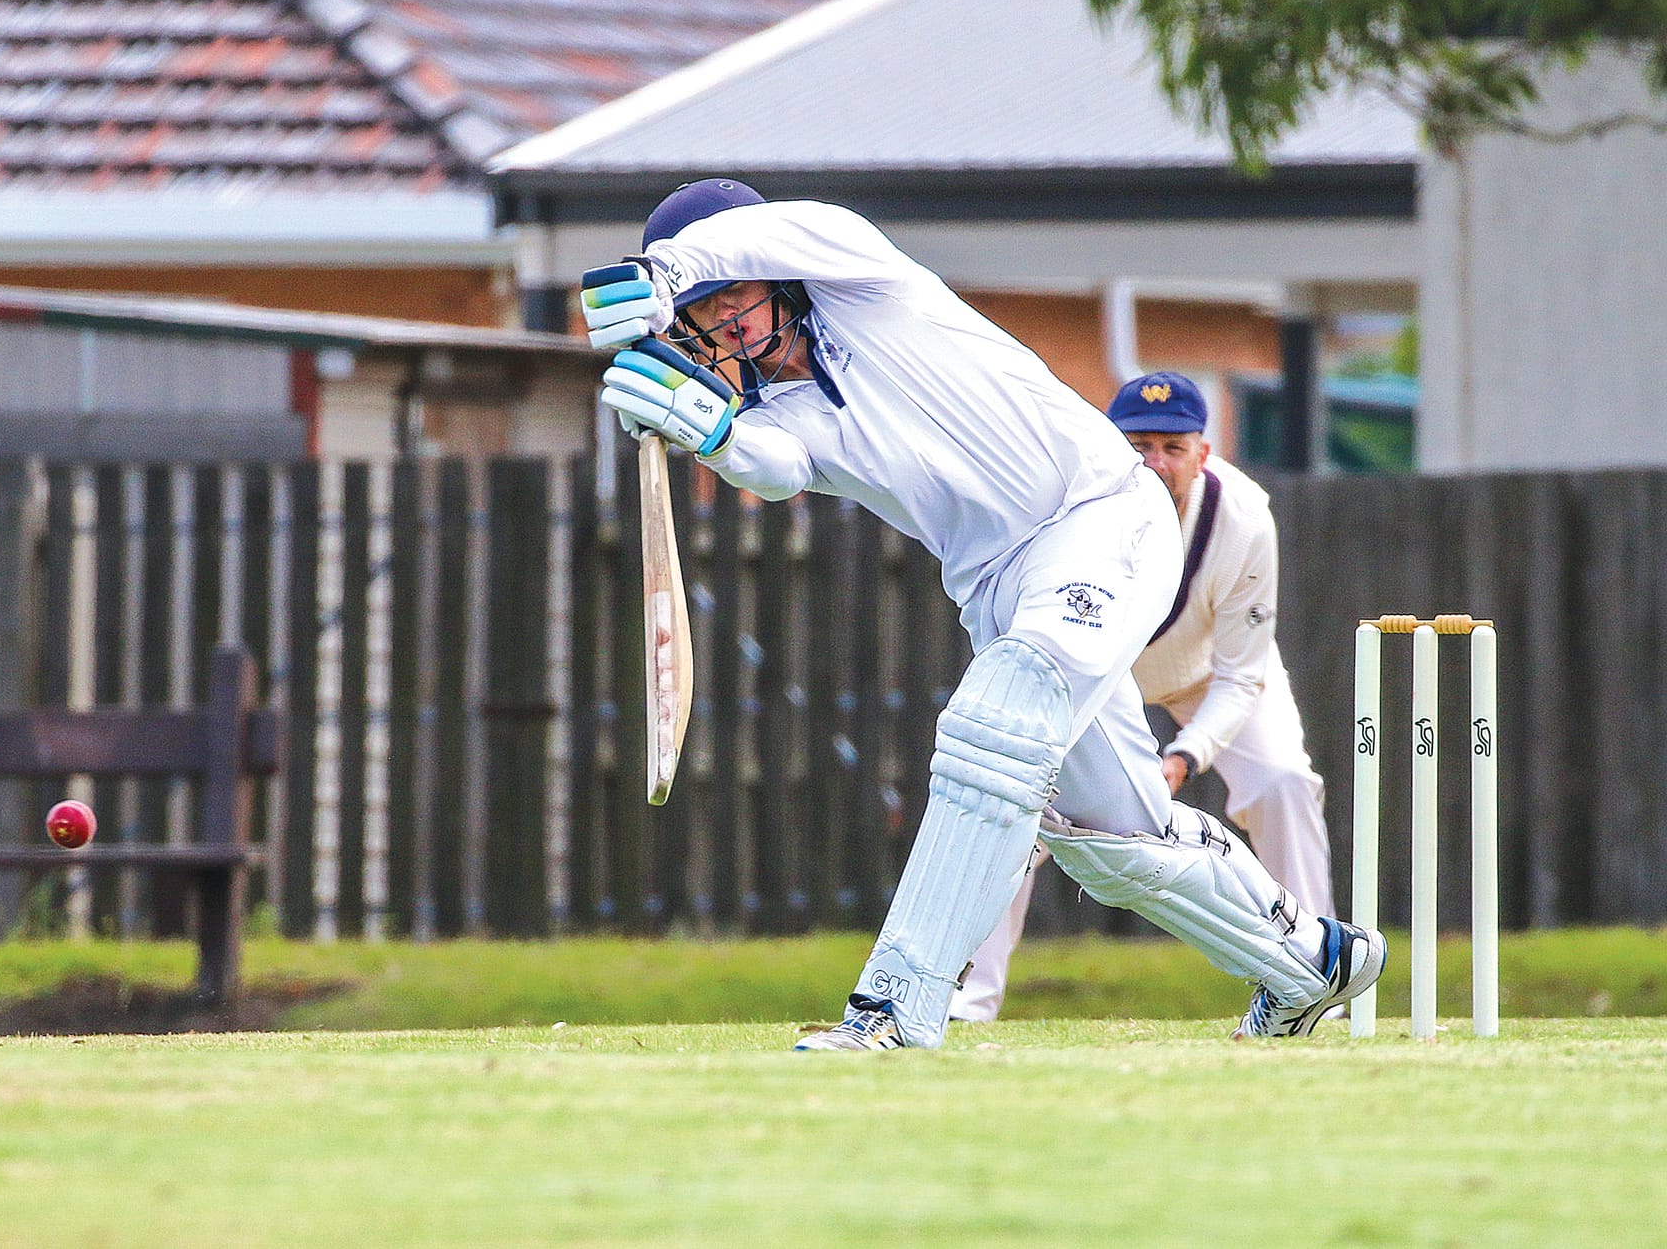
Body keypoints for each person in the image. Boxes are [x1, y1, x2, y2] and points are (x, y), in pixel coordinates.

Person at [578, 178, 1383, 1048]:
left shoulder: (859, 273)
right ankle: (1313, 961)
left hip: (1098, 518)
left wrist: (660, 274)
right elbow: (774, 468)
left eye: (732, 287)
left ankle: (896, 1006)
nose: (727, 315)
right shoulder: (784, 409)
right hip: (997, 589)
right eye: (703, 307)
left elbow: (786, 228)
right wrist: (711, 433)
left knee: (993, 730)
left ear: (773, 272)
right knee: (1111, 840)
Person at [949, 371, 1337, 1023]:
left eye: (1172, 447)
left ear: (1202, 454)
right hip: (1102, 681)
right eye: (1138, 445)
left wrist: (1183, 757)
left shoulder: (1243, 521)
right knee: (1017, 806)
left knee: (1282, 783)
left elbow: (1243, 675)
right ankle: (969, 999)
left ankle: (1317, 975)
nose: (1154, 463)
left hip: (1211, 675)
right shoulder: (1066, 509)